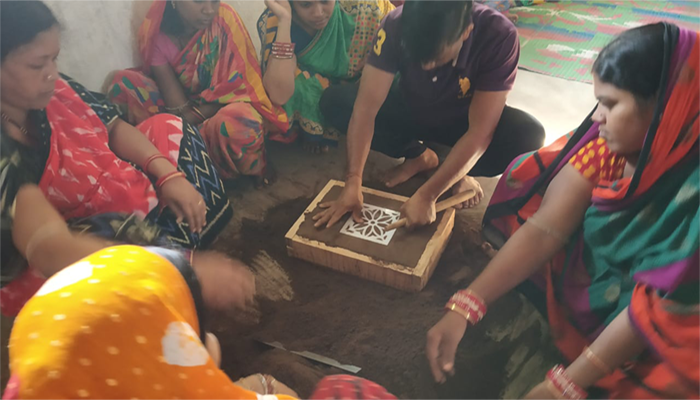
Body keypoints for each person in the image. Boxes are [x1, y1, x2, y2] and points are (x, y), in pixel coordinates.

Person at [426, 23, 700, 399]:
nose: (596, 118)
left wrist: (565, 385)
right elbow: (545, 229)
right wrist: (467, 304)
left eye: (611, 104)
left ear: (666, 109)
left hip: (678, 304)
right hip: (623, 284)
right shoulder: (608, 149)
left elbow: (654, 309)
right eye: (598, 101)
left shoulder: (692, 196)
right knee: (529, 201)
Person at [0, 0, 232, 315]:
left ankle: (168, 250)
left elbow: (113, 126)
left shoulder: (56, 90)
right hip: (54, 257)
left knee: (172, 130)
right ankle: (164, 265)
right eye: (37, 65)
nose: (52, 74)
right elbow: (49, 247)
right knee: (113, 235)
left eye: (54, 59)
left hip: (110, 198)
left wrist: (168, 175)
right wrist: (179, 268)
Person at [313, 0, 546, 230]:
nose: (426, 67)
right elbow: (365, 109)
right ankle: (421, 156)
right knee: (336, 102)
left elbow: (480, 132)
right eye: (419, 57)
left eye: (437, 58)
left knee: (528, 136)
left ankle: (446, 167)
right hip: (411, 110)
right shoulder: (394, 24)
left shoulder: (499, 36)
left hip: (463, 122)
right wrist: (353, 180)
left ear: (466, 32)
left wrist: (429, 195)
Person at [108, 0, 289, 185]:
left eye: (214, 1)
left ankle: (229, 165)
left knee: (238, 122)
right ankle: (192, 164)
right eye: (199, 1)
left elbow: (241, 89)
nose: (209, 10)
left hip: (224, 109)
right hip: (187, 114)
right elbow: (178, 107)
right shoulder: (158, 36)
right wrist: (181, 121)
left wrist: (187, 119)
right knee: (124, 83)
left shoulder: (224, 19)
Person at [258, 0, 394, 153]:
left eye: (325, 1)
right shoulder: (281, 18)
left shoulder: (362, 5)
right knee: (290, 81)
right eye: (306, 5)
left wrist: (379, 52)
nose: (318, 13)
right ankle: (312, 130)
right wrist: (284, 20)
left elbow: (397, 24)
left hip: (358, 78)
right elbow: (278, 94)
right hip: (315, 78)